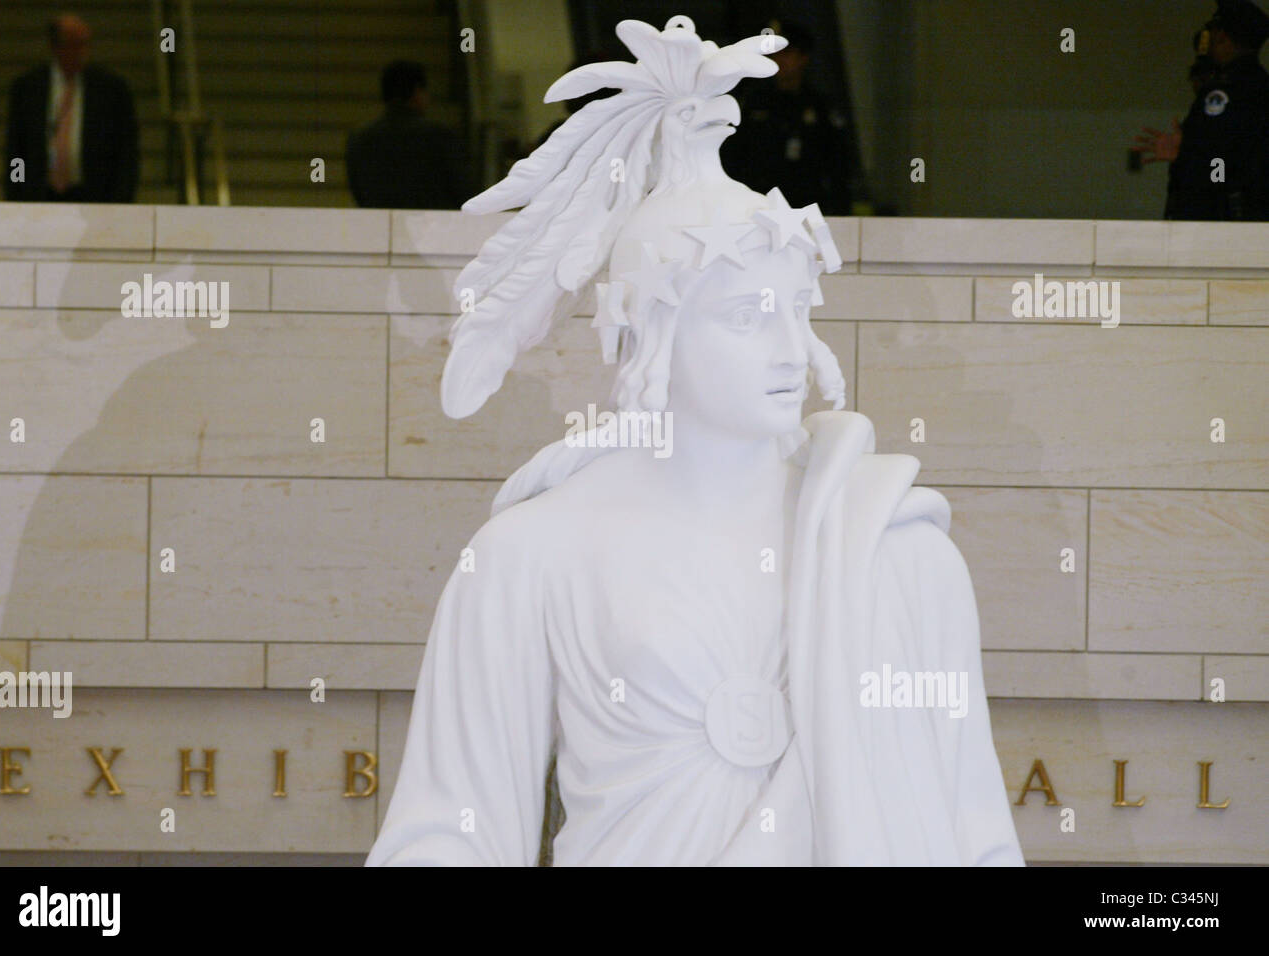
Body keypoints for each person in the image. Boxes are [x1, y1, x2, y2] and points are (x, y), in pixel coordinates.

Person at [366, 16, 1023, 867]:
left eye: (797, 310)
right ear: (648, 334)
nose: (791, 349)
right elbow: (446, 835)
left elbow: (976, 836)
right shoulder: (528, 557)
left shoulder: (894, 552)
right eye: (748, 316)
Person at [1133, 0, 1269, 220]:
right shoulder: (1258, 86)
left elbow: (1222, 164)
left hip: (1220, 222)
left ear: (1222, 36)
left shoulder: (1228, 90)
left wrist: (1186, 155)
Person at [719, 18, 856, 215]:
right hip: (757, 204)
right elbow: (733, 155)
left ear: (803, 57)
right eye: (775, 54)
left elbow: (838, 164)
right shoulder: (752, 102)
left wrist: (839, 208)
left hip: (807, 205)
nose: (780, 60)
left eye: (787, 53)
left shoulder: (820, 106)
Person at [4, 13, 139, 202]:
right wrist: (16, 196)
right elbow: (17, 152)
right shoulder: (27, 88)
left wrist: (121, 199)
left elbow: (126, 153)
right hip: (39, 195)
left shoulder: (112, 89)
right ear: (56, 47)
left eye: (85, 44)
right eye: (74, 44)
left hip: (94, 195)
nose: (81, 52)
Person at [346, 60, 474, 209]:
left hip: (380, 225)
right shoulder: (440, 136)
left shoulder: (360, 138)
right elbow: (462, 189)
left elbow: (359, 191)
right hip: (431, 225)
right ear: (417, 91)